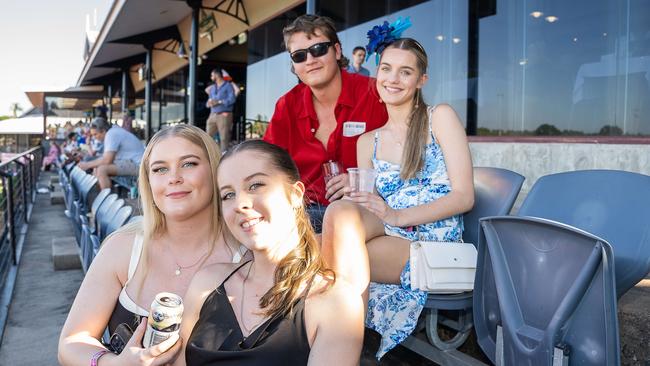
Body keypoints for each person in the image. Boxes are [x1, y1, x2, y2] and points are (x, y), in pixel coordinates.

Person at [329, 35, 475, 358]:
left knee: (332, 253)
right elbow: (369, 206)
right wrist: (354, 197)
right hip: (388, 232)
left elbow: (465, 196)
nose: (393, 79)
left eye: (405, 72)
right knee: (335, 219)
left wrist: (397, 216)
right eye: (386, 69)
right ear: (376, 74)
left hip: (432, 240)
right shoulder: (367, 142)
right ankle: (336, 347)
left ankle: (336, 348)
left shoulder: (440, 118)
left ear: (421, 80)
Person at [58, 125, 247, 366]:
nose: (174, 177)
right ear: (148, 182)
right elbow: (71, 344)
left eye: (189, 164)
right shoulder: (123, 247)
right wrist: (115, 364)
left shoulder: (248, 255)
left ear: (215, 171)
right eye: (160, 169)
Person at [172, 139, 365, 366]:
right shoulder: (208, 282)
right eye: (228, 195)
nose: (240, 203)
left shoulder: (334, 303)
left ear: (295, 194)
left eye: (255, 185)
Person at [263, 15, 388, 231]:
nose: (310, 60)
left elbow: (405, 154)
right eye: (299, 56)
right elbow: (266, 164)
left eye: (319, 49)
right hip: (302, 214)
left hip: (365, 211)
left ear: (337, 51)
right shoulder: (286, 106)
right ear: (294, 66)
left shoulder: (375, 94)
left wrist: (360, 181)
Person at [77, 117, 145, 190]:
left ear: (103, 131)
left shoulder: (111, 134)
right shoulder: (113, 132)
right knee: (97, 168)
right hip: (131, 162)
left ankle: (105, 199)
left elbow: (107, 160)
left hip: (139, 165)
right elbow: (106, 158)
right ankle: (101, 195)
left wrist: (87, 165)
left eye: (95, 134)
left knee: (102, 170)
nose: (94, 137)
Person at [205, 68, 236, 151]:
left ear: (217, 75)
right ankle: (212, 154)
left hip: (224, 114)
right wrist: (209, 103)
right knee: (207, 136)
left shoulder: (228, 85)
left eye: (212, 75)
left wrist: (219, 102)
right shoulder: (213, 87)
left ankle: (223, 158)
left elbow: (232, 99)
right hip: (212, 114)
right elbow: (210, 99)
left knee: (224, 138)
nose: (211, 77)